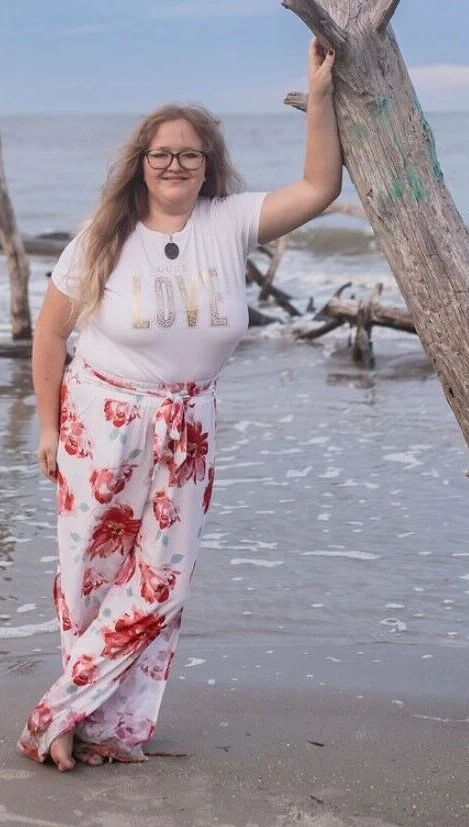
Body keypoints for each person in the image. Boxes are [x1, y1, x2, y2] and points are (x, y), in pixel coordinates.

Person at [18, 38, 341, 771]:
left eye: (188, 155)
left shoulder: (229, 222)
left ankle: (72, 716)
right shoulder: (101, 236)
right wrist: (44, 426)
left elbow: (319, 187)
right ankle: (80, 724)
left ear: (208, 165)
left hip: (188, 425)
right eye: (161, 154)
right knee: (88, 581)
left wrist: (318, 100)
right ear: (140, 164)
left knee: (160, 585)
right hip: (99, 420)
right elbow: (49, 334)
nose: (174, 165)